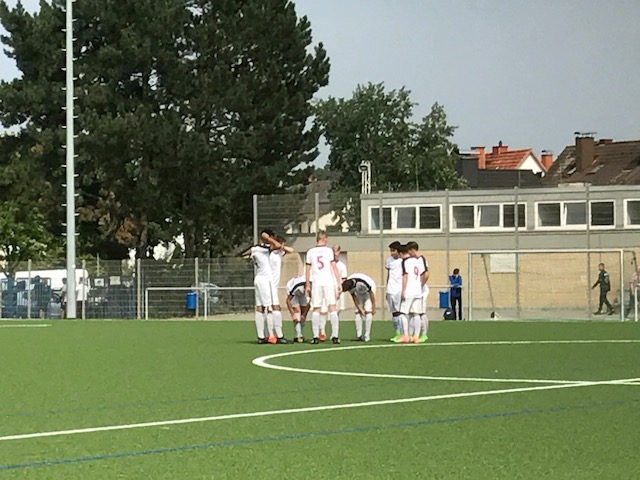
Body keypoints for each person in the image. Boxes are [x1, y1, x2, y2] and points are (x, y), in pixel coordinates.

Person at [305, 231, 342, 344]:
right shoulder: (328, 251)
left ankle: (315, 337)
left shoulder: (310, 252)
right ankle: (335, 336)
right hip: (328, 282)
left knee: (316, 309)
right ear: (324, 239)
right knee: (332, 308)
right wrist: (339, 283)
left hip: (317, 283)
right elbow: (334, 267)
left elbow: (307, 270)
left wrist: (307, 284)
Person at [251, 229, 286, 344]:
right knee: (271, 307)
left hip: (261, 279)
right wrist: (268, 238)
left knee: (260, 307)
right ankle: (274, 336)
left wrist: (268, 239)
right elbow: (277, 245)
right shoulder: (259, 249)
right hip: (265, 280)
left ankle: (261, 337)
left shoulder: (259, 249)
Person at [398, 241, 427, 344]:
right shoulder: (419, 261)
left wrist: (403, 291)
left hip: (409, 291)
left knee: (402, 313)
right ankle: (416, 337)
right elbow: (424, 274)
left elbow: (405, 276)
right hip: (417, 290)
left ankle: (405, 336)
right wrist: (420, 285)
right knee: (416, 314)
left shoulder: (405, 262)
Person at [269, 235, 294, 342]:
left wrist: (281, 247)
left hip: (274, 286)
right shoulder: (271, 255)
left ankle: (271, 335)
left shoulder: (278, 253)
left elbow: (291, 250)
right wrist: (278, 245)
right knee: (275, 308)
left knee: (271, 310)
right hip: (270, 285)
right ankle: (278, 336)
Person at [342, 273, 376, 342]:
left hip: (369, 291)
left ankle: (367, 335)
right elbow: (354, 297)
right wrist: (360, 309)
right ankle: (359, 335)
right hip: (359, 292)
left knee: (368, 311)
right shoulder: (348, 284)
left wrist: (373, 307)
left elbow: (371, 294)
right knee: (358, 312)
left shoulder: (361, 283)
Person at [386, 241, 403, 342]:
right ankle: (397, 333)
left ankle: (404, 333)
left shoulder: (403, 261)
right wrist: (387, 288)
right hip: (390, 289)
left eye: (393, 250)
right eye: (391, 251)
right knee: (394, 313)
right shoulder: (389, 260)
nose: (392, 253)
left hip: (399, 289)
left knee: (401, 312)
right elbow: (389, 274)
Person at [285, 273, 310, 343]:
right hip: (292, 290)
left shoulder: (314, 288)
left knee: (303, 312)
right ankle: (298, 335)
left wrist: (304, 315)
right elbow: (288, 301)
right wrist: (292, 314)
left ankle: (299, 333)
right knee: (297, 312)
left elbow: (309, 304)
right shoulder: (297, 286)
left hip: (302, 292)